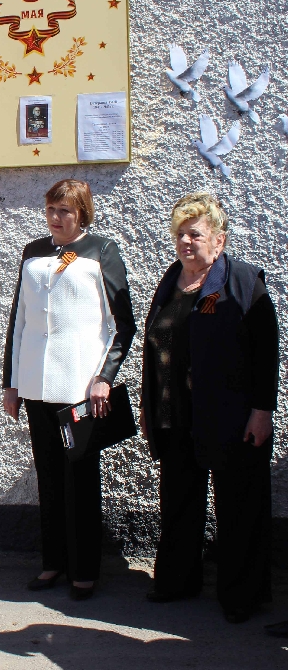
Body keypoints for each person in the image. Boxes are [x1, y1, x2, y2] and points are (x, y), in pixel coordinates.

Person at [141, 192, 278, 623]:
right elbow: (157, 347)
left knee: (239, 506)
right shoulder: (171, 281)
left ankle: (242, 595)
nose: (186, 241)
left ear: (219, 240)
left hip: (231, 417)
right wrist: (149, 405)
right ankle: (178, 581)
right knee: (179, 500)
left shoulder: (242, 282)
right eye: (180, 233)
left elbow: (266, 352)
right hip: (175, 415)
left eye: (195, 234)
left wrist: (262, 411)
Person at [3, 179, 136, 601]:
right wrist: (12, 383)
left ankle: (84, 569)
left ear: (82, 214)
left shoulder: (101, 251)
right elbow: (19, 322)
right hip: (36, 385)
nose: (56, 218)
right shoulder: (33, 252)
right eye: (51, 210)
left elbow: (122, 325)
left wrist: (104, 377)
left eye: (65, 211)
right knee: (48, 477)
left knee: (79, 479)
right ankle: (53, 562)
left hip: (79, 387)